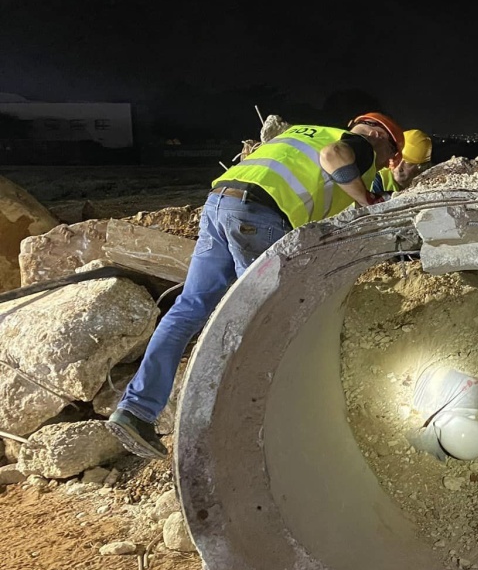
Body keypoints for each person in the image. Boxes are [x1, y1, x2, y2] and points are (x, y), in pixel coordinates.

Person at [106, 112, 407, 460]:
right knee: (266, 322)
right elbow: (334, 157)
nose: (386, 163)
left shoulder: (305, 134)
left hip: (220, 203)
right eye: (391, 154)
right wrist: (367, 202)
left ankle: (137, 411)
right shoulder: (358, 144)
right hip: (259, 216)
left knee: (190, 308)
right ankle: (238, 431)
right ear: (379, 136)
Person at [372, 127, 434, 195]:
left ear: (422, 168)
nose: (399, 167)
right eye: (397, 158)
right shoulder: (378, 180)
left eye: (408, 163)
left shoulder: (431, 183)